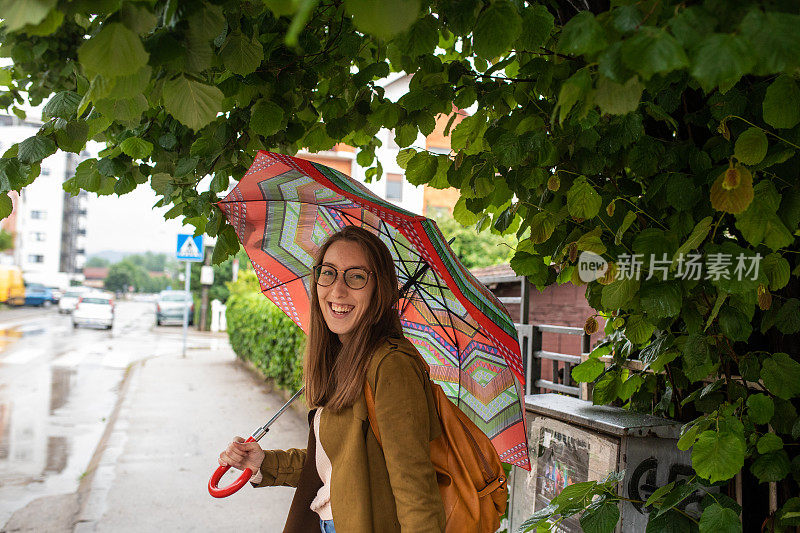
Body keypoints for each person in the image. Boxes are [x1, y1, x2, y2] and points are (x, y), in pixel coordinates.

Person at [218, 226, 445, 533]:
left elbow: (416, 490)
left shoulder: (391, 366)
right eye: (328, 273)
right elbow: (342, 467)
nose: (337, 290)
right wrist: (263, 462)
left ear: (380, 289)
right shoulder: (348, 358)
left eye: (356, 276)